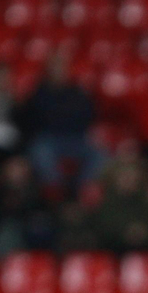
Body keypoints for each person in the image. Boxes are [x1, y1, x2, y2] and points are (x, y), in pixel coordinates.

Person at [25, 51, 102, 190]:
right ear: (48, 70)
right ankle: (57, 191)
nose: (58, 70)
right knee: (39, 150)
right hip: (50, 139)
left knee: (101, 154)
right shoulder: (39, 92)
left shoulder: (77, 91)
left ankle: (79, 189)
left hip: (76, 138)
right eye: (54, 66)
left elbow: (88, 115)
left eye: (61, 67)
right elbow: (36, 119)